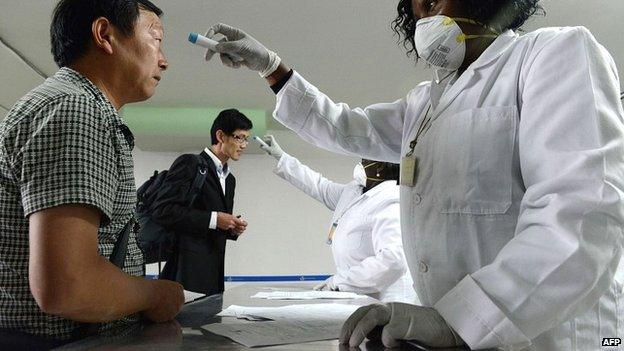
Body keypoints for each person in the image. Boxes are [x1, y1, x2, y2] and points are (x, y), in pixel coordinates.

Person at [202, 0, 624, 349]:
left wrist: (462, 321)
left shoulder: (554, 54)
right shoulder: (426, 102)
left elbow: (581, 221)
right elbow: (347, 126)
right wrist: (273, 68)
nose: (422, 11)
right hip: (451, 335)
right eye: (415, 7)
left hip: (544, 337)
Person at [0, 0, 185, 347]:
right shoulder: (75, 109)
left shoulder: (73, 106)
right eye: (156, 39)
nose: (164, 60)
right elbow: (67, 286)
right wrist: (155, 295)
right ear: (105, 35)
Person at [258, 135, 417, 303]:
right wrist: (282, 157)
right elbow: (318, 185)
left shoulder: (390, 201)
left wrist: (339, 282)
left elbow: (394, 260)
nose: (361, 163)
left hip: (387, 302)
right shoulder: (353, 192)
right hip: (358, 297)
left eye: (366, 159)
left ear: (381, 167)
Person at [150, 109, 251, 295]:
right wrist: (214, 219)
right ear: (220, 135)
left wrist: (230, 227)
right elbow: (163, 210)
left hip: (214, 273)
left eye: (246, 139)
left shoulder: (230, 180)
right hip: (185, 272)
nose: (244, 145)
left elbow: (211, 225)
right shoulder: (190, 163)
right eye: (239, 137)